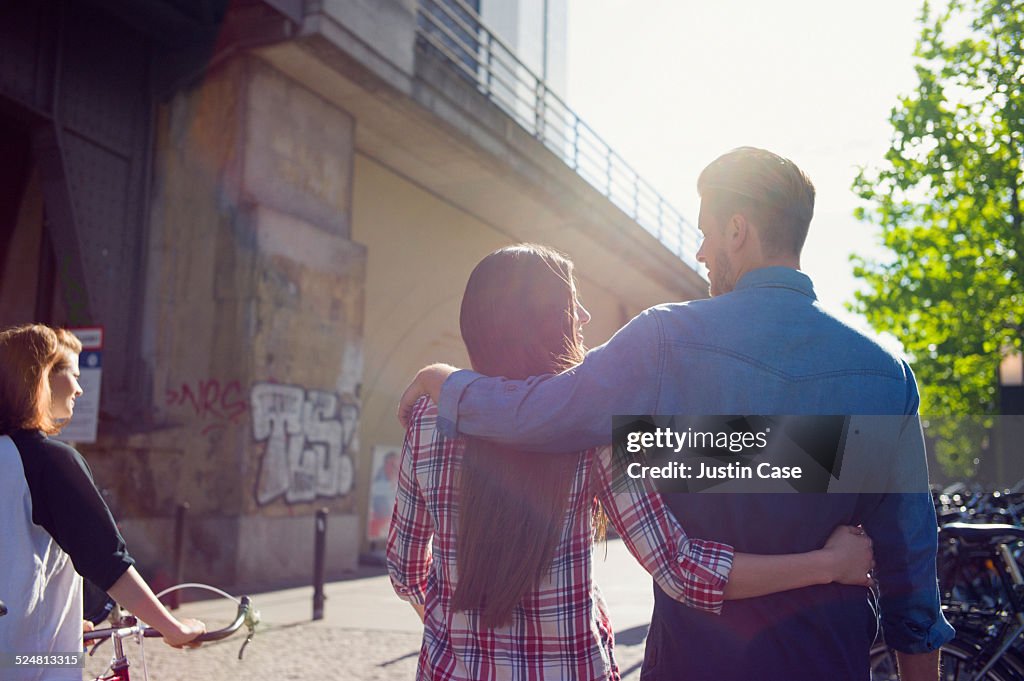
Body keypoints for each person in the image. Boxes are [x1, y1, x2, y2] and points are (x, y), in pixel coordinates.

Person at [398, 149, 955, 681]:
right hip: (826, 659)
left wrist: (445, 384)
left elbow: (543, 413)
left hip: (696, 663)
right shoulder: (887, 376)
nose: (701, 252)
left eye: (706, 232)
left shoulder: (664, 341)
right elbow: (911, 563)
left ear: (737, 230)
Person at [388, 244, 876, 681]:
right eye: (570, 303)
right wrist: (828, 563)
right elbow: (682, 570)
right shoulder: (592, 429)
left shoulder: (428, 423)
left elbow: (406, 571)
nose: (583, 315)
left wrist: (459, 632)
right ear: (544, 321)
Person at [0, 324, 205, 680]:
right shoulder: (47, 460)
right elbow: (107, 560)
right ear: (43, 376)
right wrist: (172, 628)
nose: (80, 388)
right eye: (73, 374)